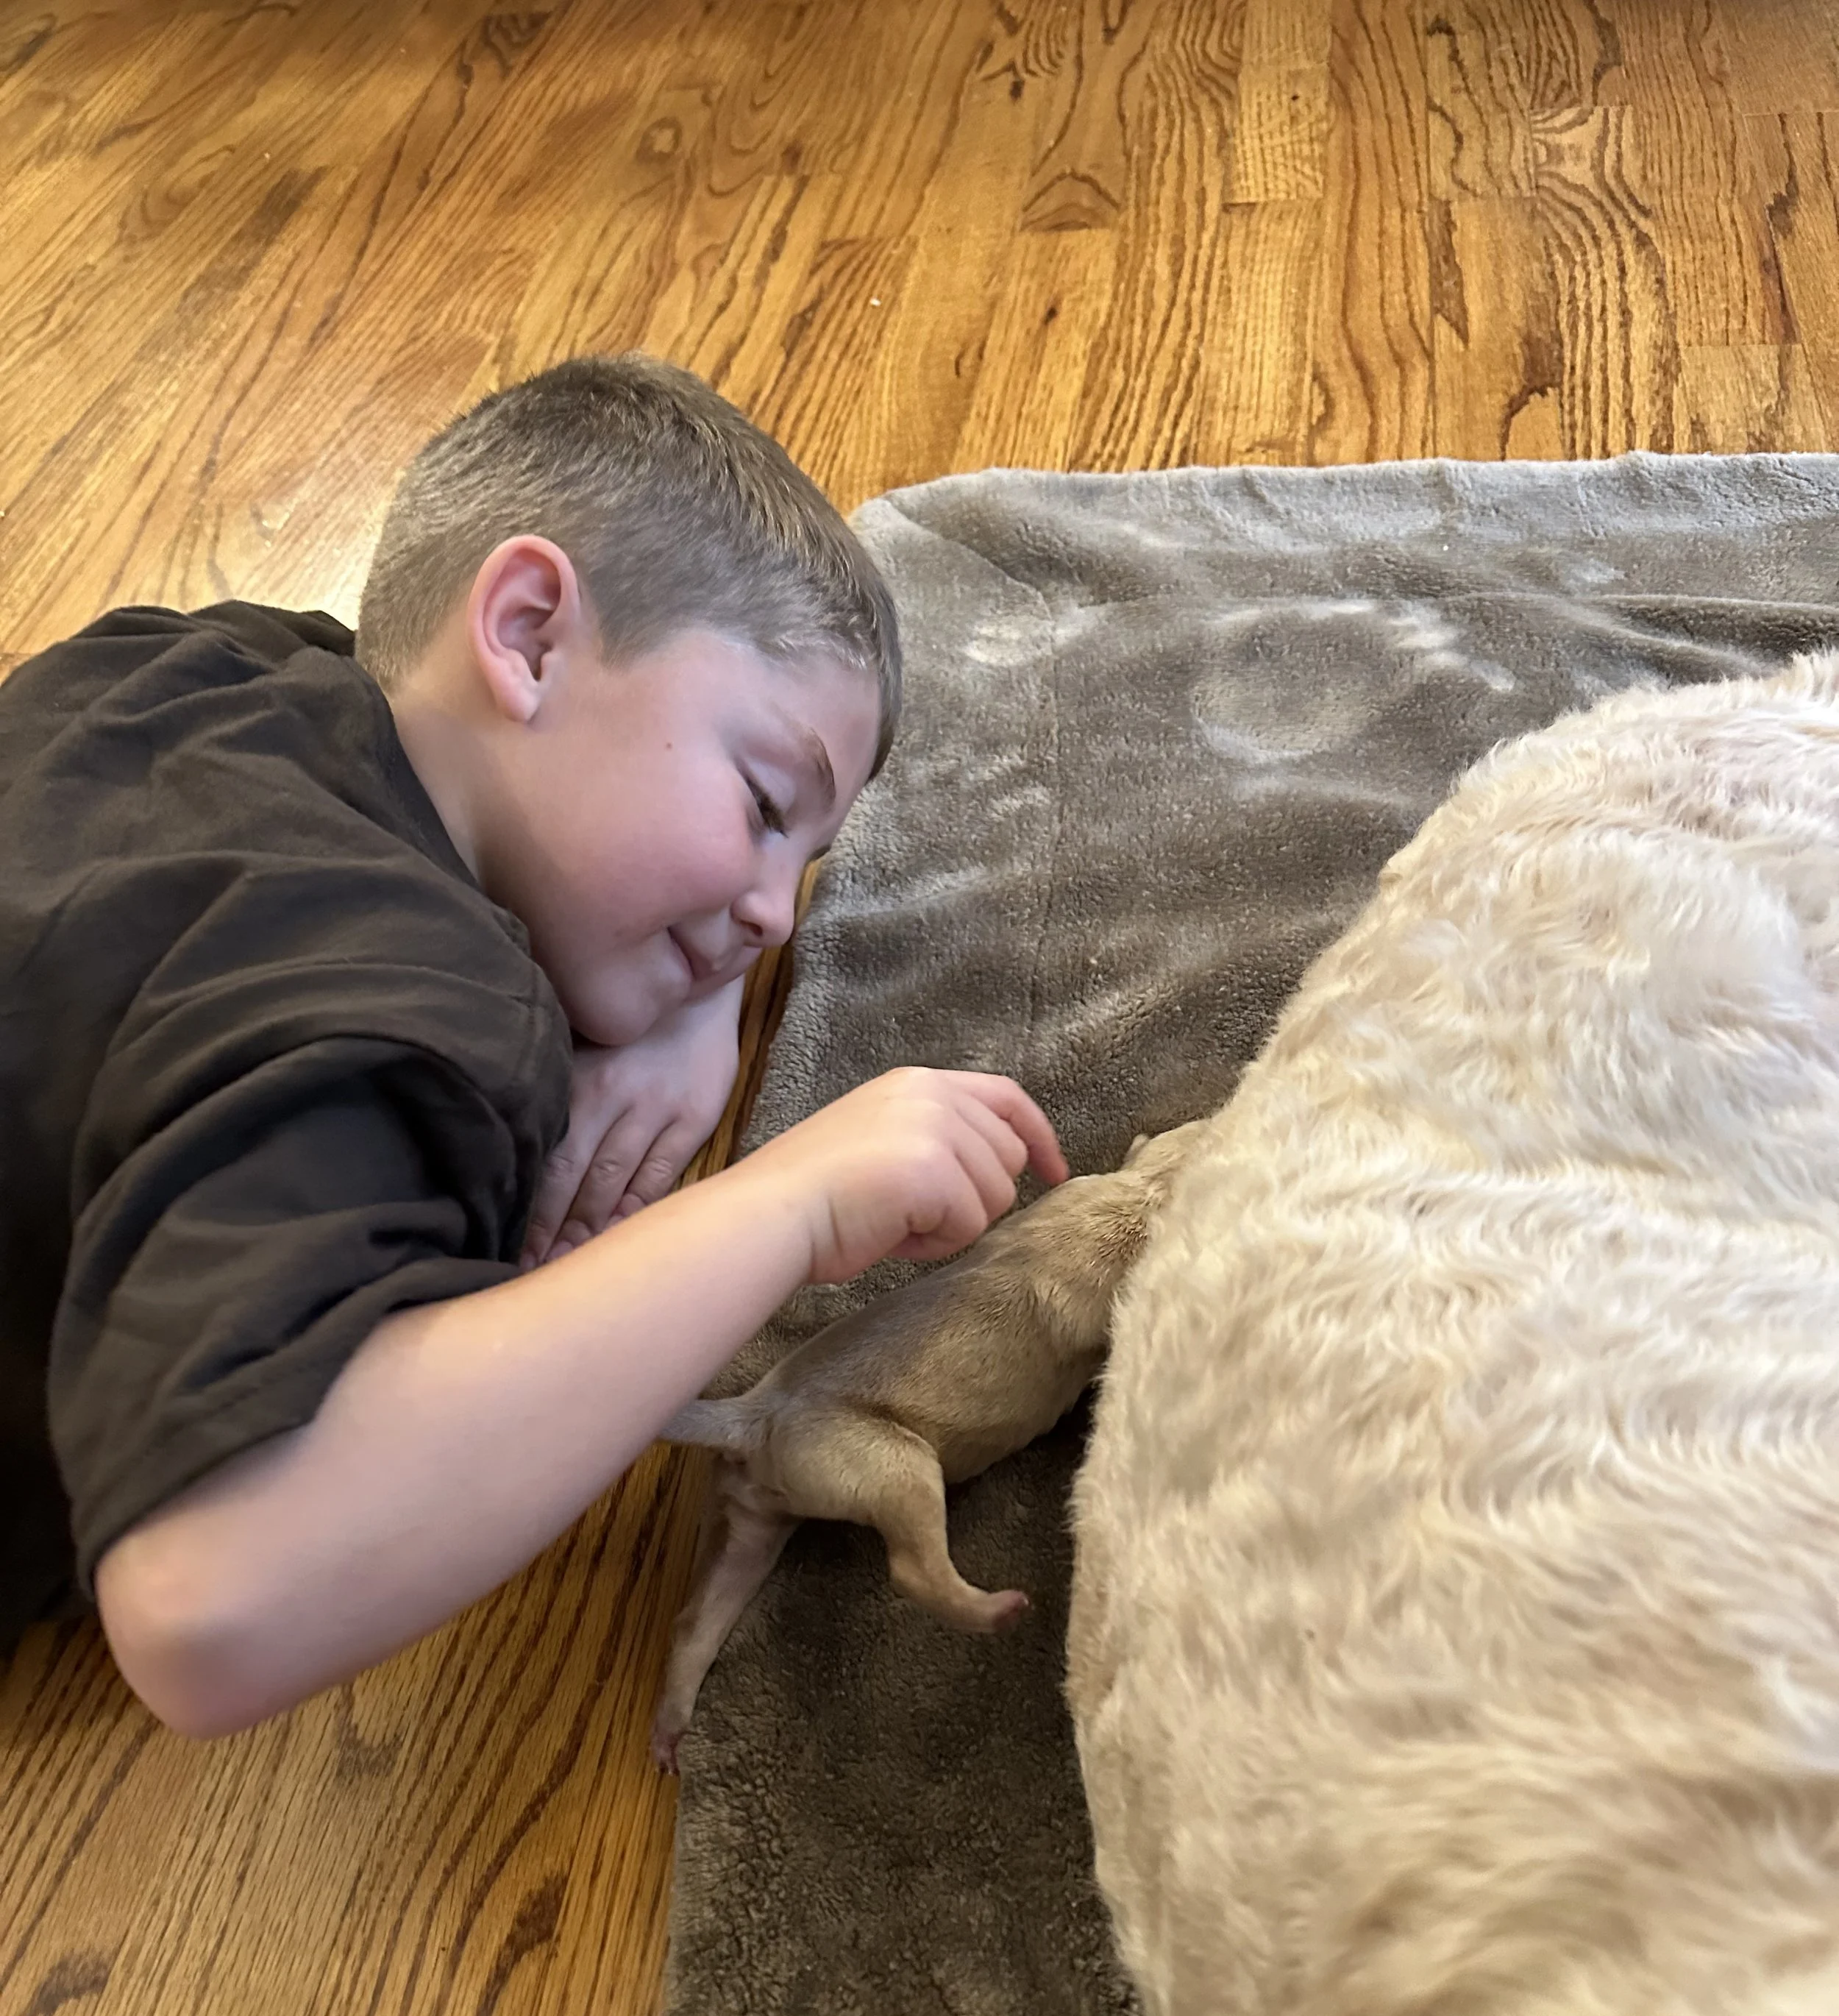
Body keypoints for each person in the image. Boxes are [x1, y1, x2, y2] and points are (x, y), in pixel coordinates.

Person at [0, 354, 1064, 1738]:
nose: (769, 914)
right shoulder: (414, 1005)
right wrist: (791, 1203)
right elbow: (207, 1604)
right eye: (762, 802)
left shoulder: (193, 660)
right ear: (528, 632)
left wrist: (679, 998)